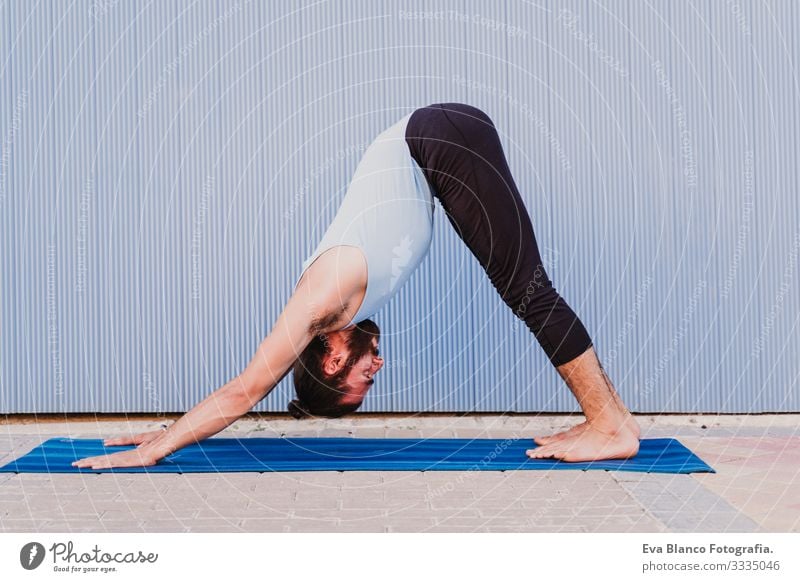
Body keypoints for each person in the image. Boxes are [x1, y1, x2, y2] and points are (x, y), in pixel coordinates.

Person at [73, 103, 639, 470]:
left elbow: (246, 390)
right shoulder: (335, 309)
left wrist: (157, 449)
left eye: (360, 380)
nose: (378, 369)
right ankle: (614, 416)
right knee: (524, 286)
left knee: (525, 290)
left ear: (333, 356)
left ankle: (609, 425)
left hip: (437, 138)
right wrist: (174, 427)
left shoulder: (318, 301)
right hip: (442, 137)